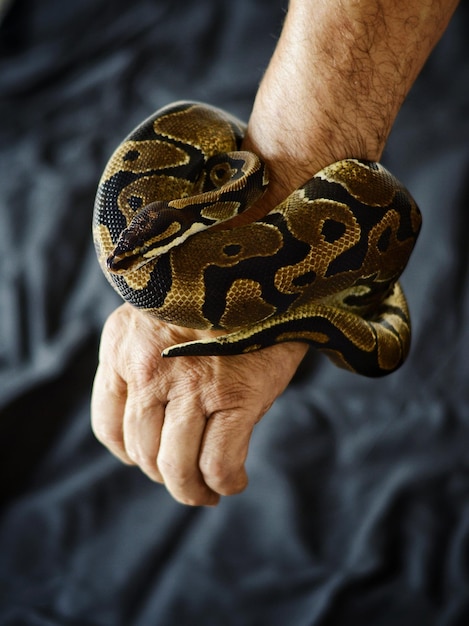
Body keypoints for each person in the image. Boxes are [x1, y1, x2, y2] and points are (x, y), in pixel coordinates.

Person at [91, 0, 459, 506]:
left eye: (142, 246)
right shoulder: (177, 210)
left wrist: (193, 312)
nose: (122, 257)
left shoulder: (211, 204)